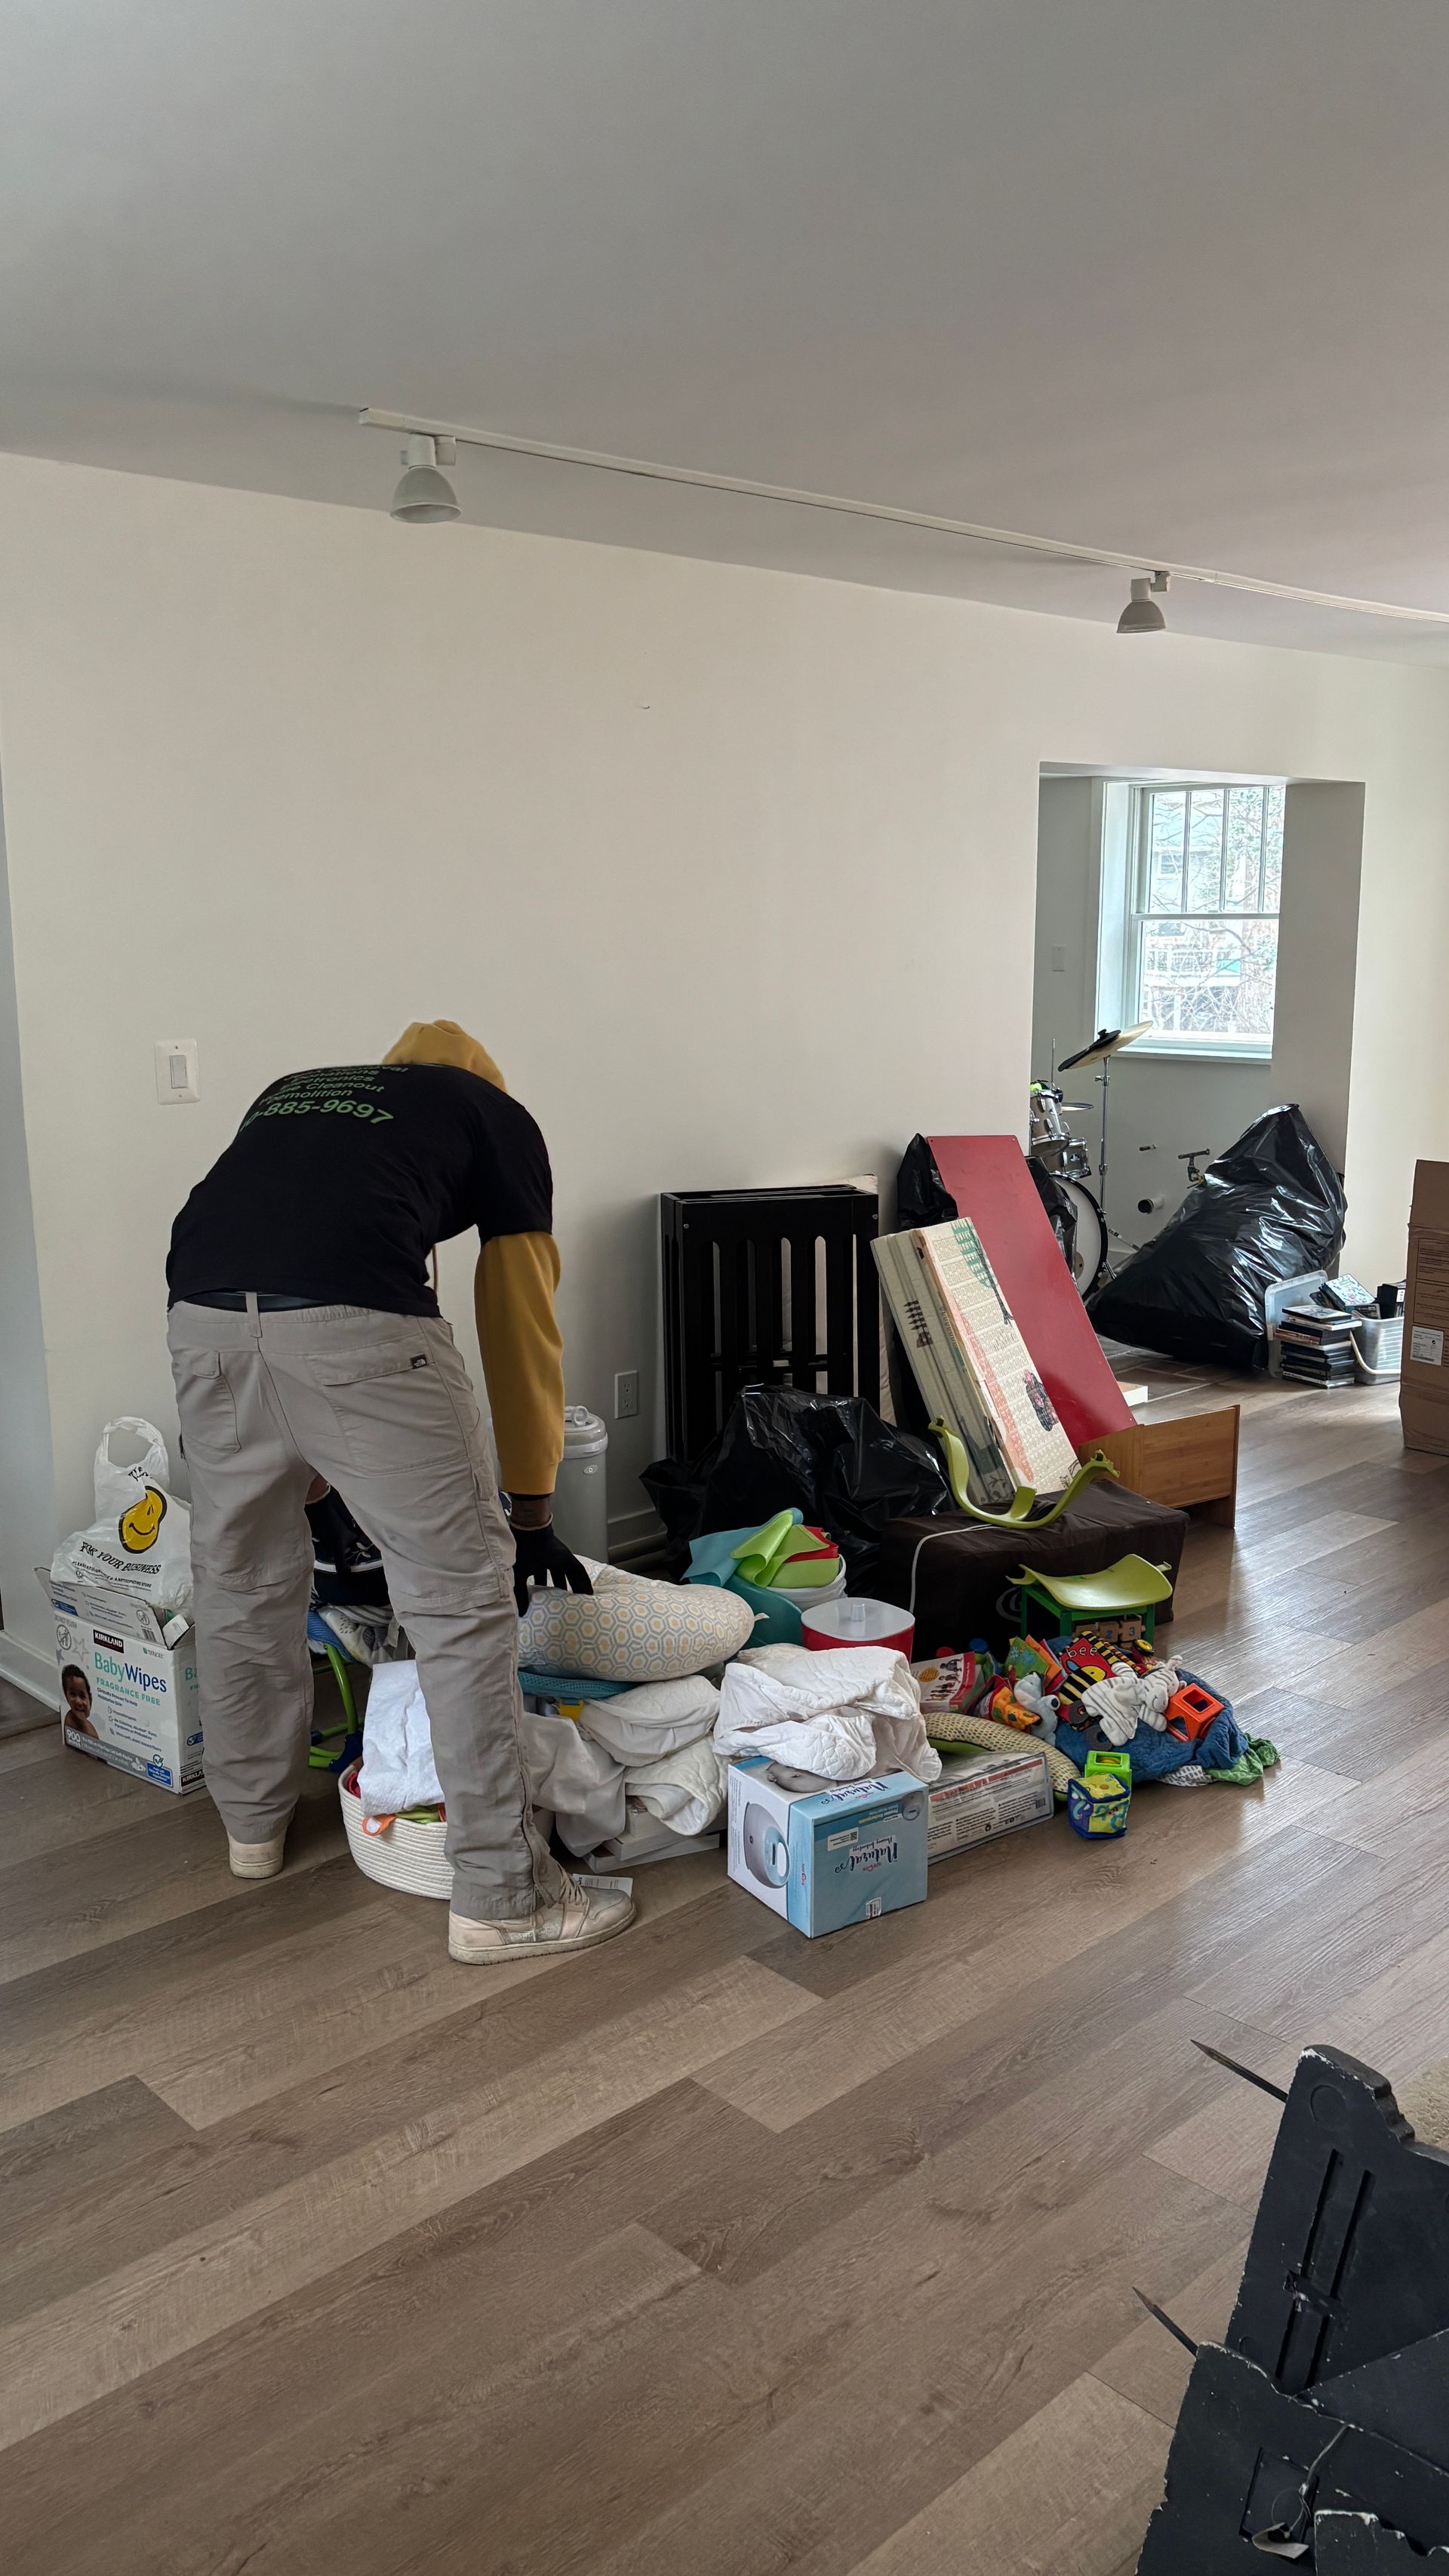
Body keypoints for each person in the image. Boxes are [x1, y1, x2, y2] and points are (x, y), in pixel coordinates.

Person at [165, 1020, 633, 1962]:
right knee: (461, 1605)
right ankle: (504, 1895)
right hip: (350, 1326)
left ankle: (251, 1827)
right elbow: (518, 1321)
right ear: (484, 1083)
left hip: (201, 1316)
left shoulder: (302, 1086)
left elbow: (282, 1230)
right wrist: (531, 1509)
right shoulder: (494, 1115)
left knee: (241, 1579)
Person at [61, 1665, 99, 1741]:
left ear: (90, 1699)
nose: (78, 1701)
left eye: (82, 1696)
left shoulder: (88, 1725)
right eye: (73, 1694)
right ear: (66, 1695)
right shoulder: (70, 1721)